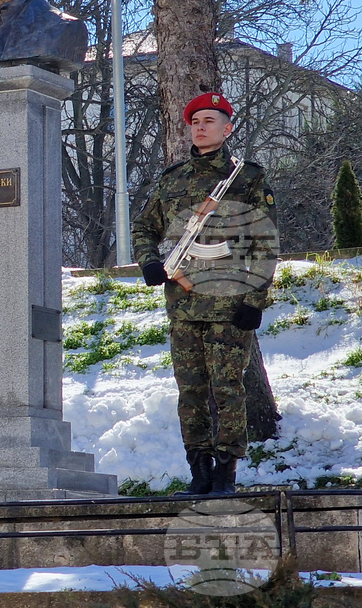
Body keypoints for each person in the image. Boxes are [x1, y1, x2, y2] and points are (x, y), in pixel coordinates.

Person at [132, 92, 278, 495]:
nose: (200, 126)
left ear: (227, 128)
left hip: (230, 303)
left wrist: (254, 301)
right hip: (183, 302)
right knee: (191, 391)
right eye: (195, 121)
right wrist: (149, 262)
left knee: (228, 389)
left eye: (210, 120)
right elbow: (145, 227)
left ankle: (225, 474)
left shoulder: (246, 178)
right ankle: (198, 472)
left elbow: (265, 243)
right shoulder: (172, 179)